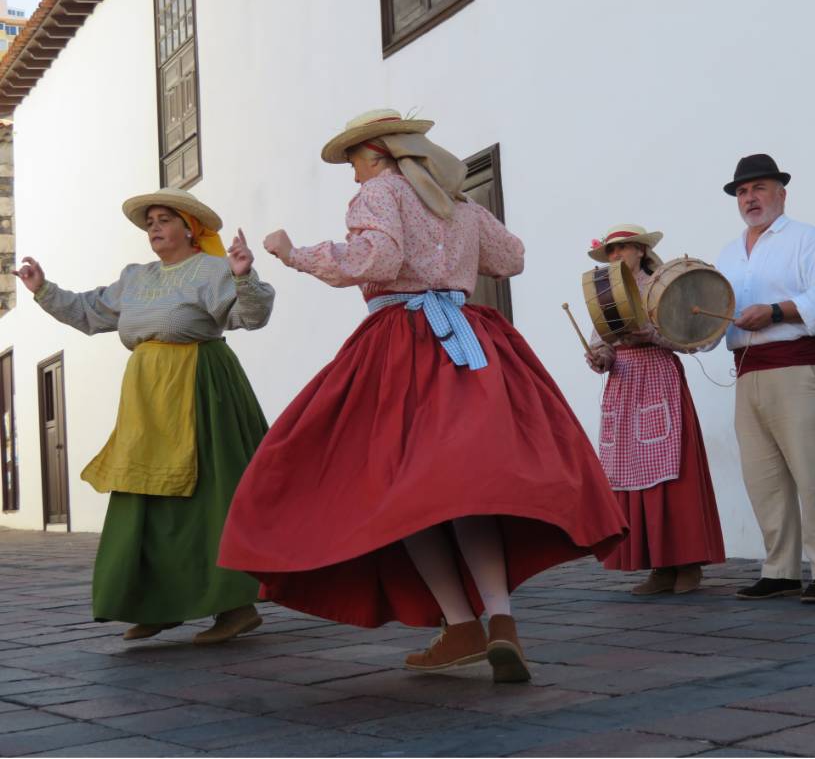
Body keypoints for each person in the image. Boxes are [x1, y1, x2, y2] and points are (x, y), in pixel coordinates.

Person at [217, 109, 628, 683]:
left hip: (403, 345)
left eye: (355, 162)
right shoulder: (456, 203)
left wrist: (295, 254)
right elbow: (511, 258)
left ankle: (461, 623)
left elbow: (376, 260)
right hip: (468, 343)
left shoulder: (379, 192)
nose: (354, 176)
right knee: (463, 488)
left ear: (378, 153)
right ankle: (501, 621)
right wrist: (456, 227)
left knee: (400, 486)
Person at [15, 188, 273, 643]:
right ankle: (158, 603)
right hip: (147, 398)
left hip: (200, 388)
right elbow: (90, 312)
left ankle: (234, 606)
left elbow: (251, 318)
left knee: (208, 496)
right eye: (150, 220)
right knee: (145, 498)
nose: (154, 227)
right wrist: (43, 291)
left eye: (164, 219)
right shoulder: (135, 277)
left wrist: (245, 276)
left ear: (189, 229)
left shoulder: (214, 269)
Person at [715, 154, 815, 603]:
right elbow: (719, 315)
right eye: (743, 192)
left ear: (781, 194)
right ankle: (781, 569)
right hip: (747, 370)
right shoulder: (728, 253)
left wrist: (772, 311)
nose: (750, 198)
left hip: (798, 365)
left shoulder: (808, 240)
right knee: (762, 477)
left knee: (813, 471)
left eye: (760, 189)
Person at [584, 225, 726, 595]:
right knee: (632, 472)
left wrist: (652, 334)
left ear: (640, 251)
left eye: (621, 250)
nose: (615, 257)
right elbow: (602, 342)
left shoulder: (662, 284)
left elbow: (686, 334)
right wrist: (599, 357)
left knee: (673, 472)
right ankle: (658, 567)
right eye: (610, 252)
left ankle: (688, 563)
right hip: (625, 383)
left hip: (658, 376)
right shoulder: (603, 294)